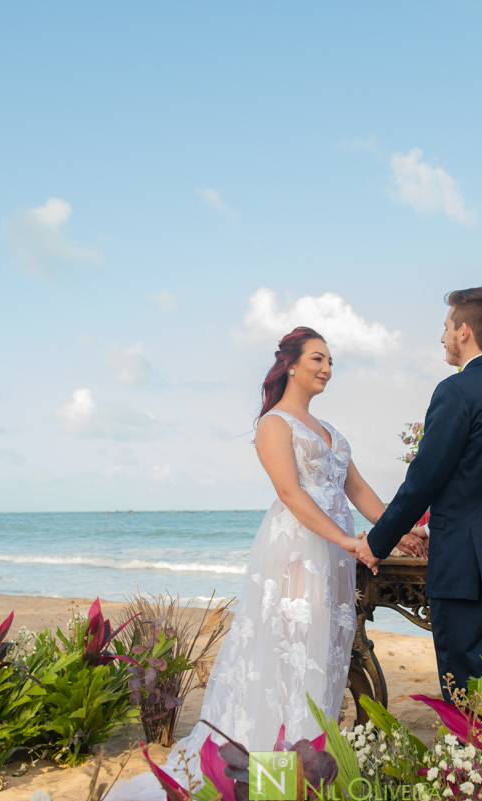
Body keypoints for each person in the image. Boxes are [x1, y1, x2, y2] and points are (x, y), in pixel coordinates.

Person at [108, 327, 424, 800]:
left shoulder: (331, 431)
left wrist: (398, 532)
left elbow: (358, 491)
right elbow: (290, 493)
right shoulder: (274, 424)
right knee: (291, 655)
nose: (327, 369)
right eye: (317, 358)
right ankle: (276, 767)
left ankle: (307, 765)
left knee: (325, 652)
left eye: (331, 361)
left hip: (335, 558)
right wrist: (347, 540)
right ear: (290, 365)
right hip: (298, 552)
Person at [358, 288, 482, 697]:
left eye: (446, 327)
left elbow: (424, 479)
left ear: (464, 331)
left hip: (467, 566)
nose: (442, 337)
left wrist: (377, 542)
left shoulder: (457, 390)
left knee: (463, 689)